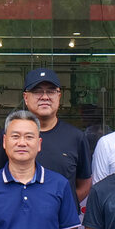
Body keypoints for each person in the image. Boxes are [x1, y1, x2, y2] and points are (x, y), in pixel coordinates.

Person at [13, 67, 92, 202]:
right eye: (37, 91)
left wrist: (63, 206)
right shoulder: (12, 137)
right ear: (26, 97)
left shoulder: (76, 137)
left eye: (51, 91)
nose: (45, 97)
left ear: (59, 96)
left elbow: (84, 183)